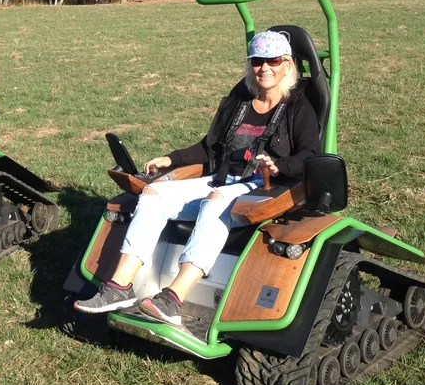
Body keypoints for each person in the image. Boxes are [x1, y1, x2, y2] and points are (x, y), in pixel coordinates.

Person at [75, 30, 321, 326]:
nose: (265, 68)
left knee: (214, 202)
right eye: (257, 60)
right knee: (152, 195)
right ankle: (119, 287)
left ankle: (173, 299)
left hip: (265, 186)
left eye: (273, 60)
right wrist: (171, 159)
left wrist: (279, 165)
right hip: (221, 177)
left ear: (287, 65)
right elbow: (210, 147)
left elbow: (310, 154)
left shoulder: (298, 107)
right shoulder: (238, 103)